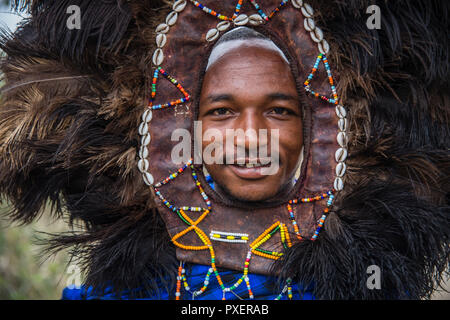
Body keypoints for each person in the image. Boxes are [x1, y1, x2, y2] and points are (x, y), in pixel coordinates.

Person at [0, 0, 448, 300]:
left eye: (278, 111)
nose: (250, 136)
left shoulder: (362, 280)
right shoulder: (127, 284)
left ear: (314, 129)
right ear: (187, 125)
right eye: (220, 112)